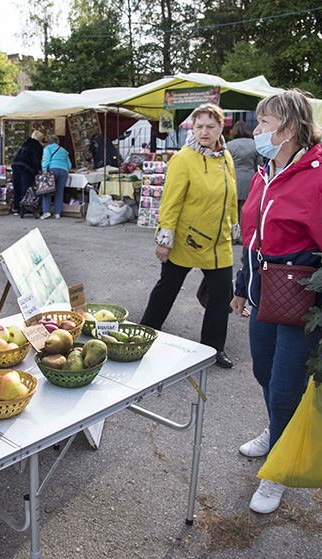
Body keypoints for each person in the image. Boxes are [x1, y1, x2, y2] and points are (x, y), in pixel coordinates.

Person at [230, 89, 322, 514]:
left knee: (286, 386)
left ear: (289, 127)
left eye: (265, 123)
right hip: (264, 289)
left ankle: (278, 470)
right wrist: (241, 286)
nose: (257, 130)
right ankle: (276, 430)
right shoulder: (268, 170)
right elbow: (253, 237)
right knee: (265, 373)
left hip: (303, 296)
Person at [139, 103, 238, 369]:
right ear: (192, 129)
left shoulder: (225, 157)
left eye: (210, 126)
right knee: (167, 288)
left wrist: (234, 225)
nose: (204, 132)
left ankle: (214, 348)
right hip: (186, 238)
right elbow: (170, 202)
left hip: (219, 243)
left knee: (220, 295)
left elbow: (231, 196)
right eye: (199, 126)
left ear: (221, 127)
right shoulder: (183, 158)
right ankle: (145, 333)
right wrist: (164, 240)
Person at [226, 121, 261, 244]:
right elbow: (260, 165)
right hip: (250, 180)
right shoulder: (255, 145)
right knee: (245, 211)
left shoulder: (229, 145)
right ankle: (244, 237)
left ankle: (232, 236)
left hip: (233, 179)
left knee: (231, 210)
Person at [11, 130, 45, 214]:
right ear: (39, 138)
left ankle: (16, 207)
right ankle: (25, 207)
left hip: (16, 165)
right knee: (26, 187)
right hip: (26, 168)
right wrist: (39, 169)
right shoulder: (37, 146)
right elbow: (36, 159)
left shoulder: (26, 143)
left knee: (17, 186)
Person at [40, 135, 71, 219]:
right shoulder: (64, 150)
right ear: (58, 142)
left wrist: (44, 169)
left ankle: (46, 211)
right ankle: (57, 213)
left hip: (53, 170)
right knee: (60, 192)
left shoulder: (47, 148)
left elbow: (46, 159)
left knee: (47, 190)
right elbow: (69, 165)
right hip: (64, 171)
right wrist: (65, 169)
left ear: (48, 142)